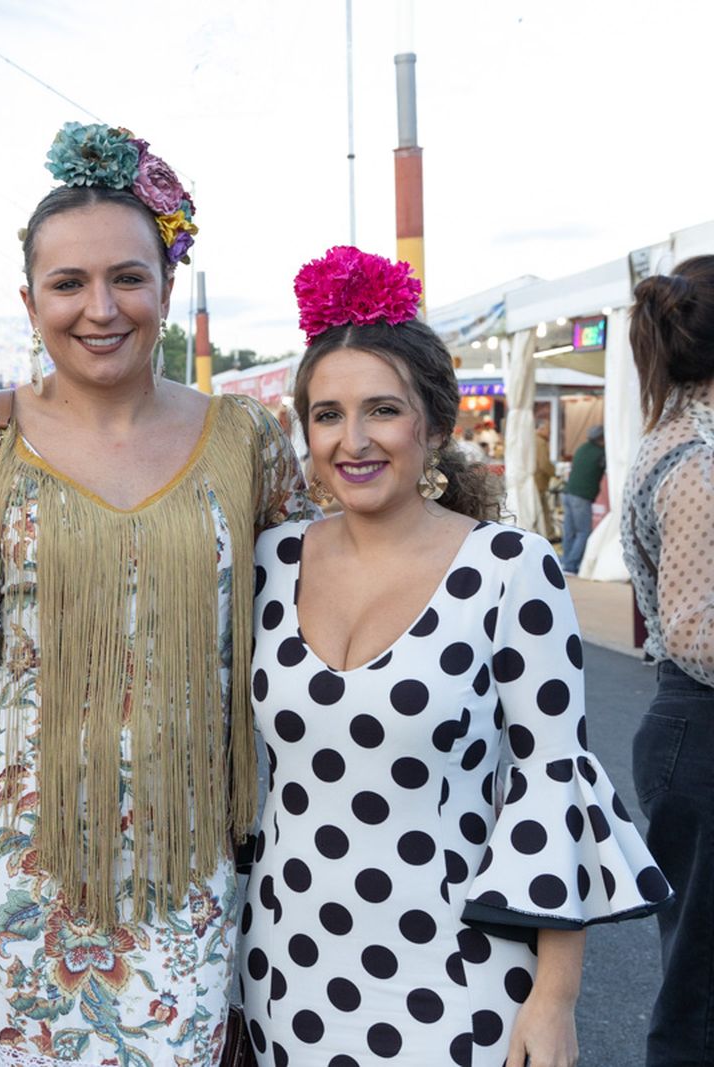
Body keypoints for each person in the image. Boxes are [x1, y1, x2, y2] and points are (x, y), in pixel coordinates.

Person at [0, 122, 313, 1066]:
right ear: (29, 300)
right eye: (68, 284)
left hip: (191, 870)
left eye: (127, 277)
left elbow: (298, 649)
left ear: (166, 286)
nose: (100, 308)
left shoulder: (250, 440)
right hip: (1, 872)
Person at [244, 246, 669, 1067]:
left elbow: (553, 780)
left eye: (382, 411)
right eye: (328, 414)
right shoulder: (271, 561)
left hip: (457, 969)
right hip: (283, 963)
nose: (353, 440)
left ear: (435, 425)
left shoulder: (509, 568)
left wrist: (555, 998)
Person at [621, 255, 714, 1066]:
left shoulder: (684, 436)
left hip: (692, 732)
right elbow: (693, 629)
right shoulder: (700, 457)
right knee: (697, 997)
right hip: (703, 730)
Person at [560, 425, 605, 573]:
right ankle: (572, 565)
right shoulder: (601, 453)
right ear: (602, 438)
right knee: (583, 532)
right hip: (581, 496)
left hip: (567, 493)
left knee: (569, 531)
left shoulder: (581, 448)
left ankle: (566, 561)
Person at [534, 421, 557, 540]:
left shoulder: (533, 439)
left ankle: (548, 533)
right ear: (542, 429)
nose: (550, 433)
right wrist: (554, 473)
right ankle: (549, 534)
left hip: (536, 482)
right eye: (549, 430)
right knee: (543, 511)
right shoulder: (540, 442)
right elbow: (544, 464)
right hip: (539, 482)